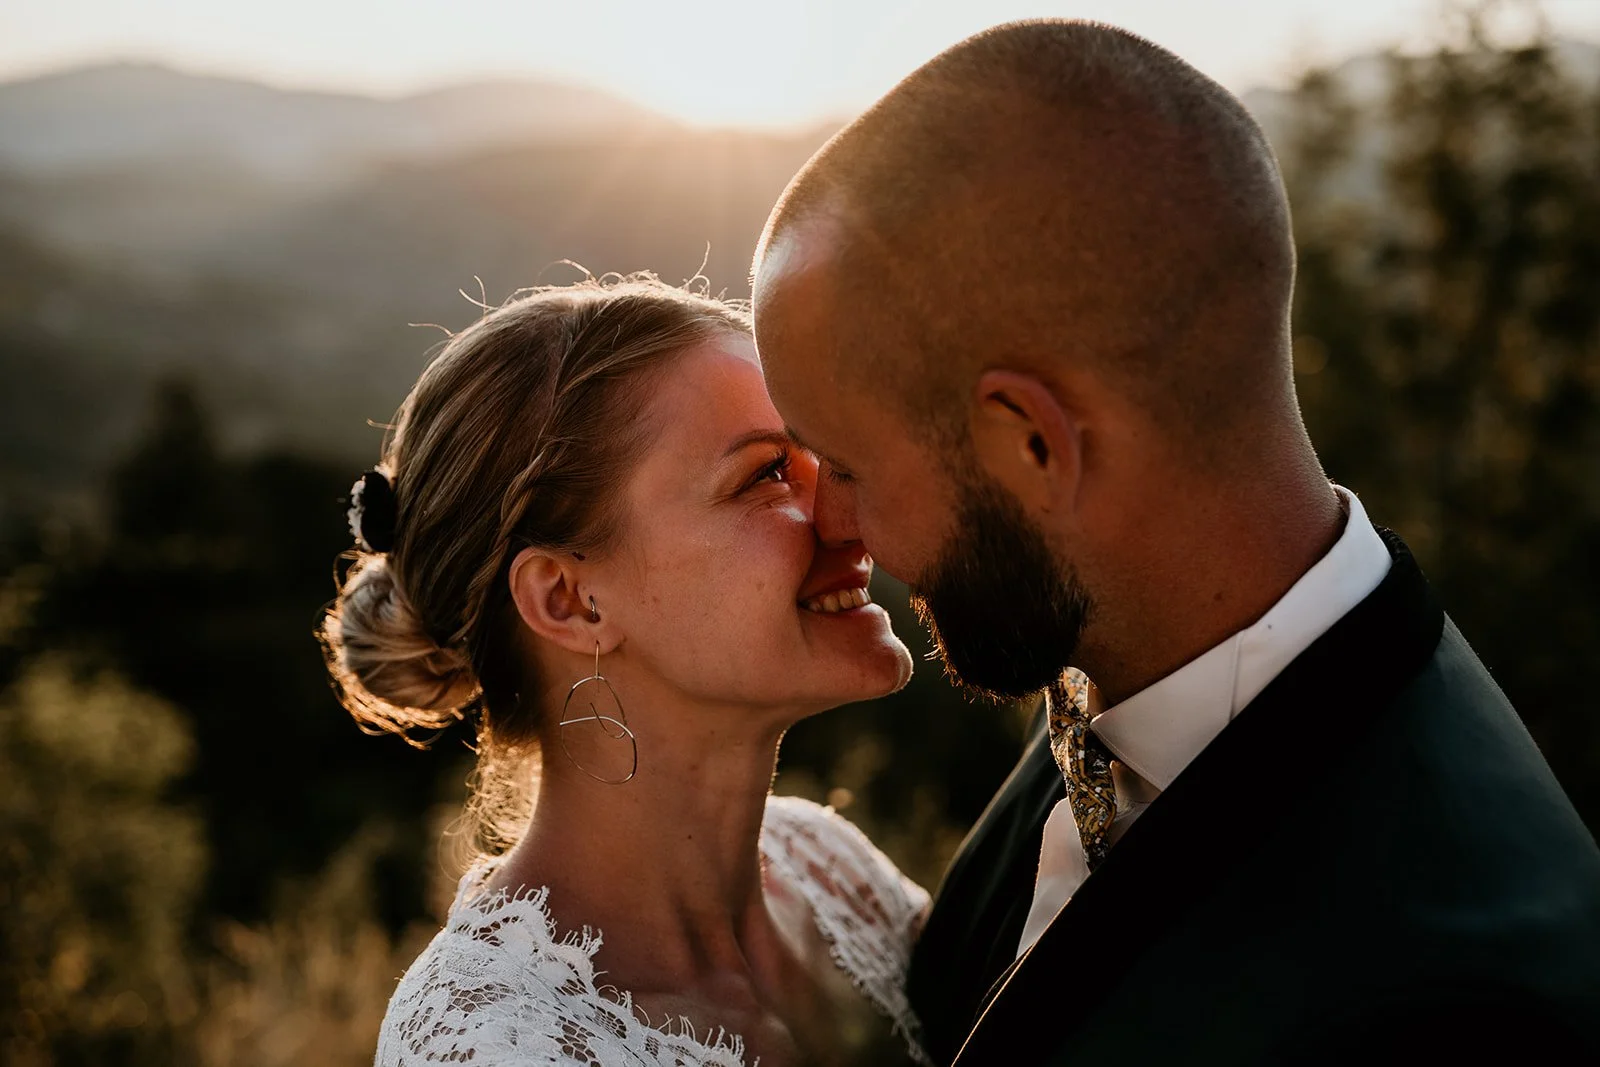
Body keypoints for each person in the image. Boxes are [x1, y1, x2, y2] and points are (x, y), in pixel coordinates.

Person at [751, 18, 1600, 1066]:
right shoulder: (1116, 647)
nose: (831, 525)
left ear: (1031, 443)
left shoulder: (1441, 1010)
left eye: (845, 465)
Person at [322, 276, 932, 1066]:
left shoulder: (831, 869)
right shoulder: (503, 1046)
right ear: (571, 600)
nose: (849, 510)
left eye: (822, 451)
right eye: (767, 473)